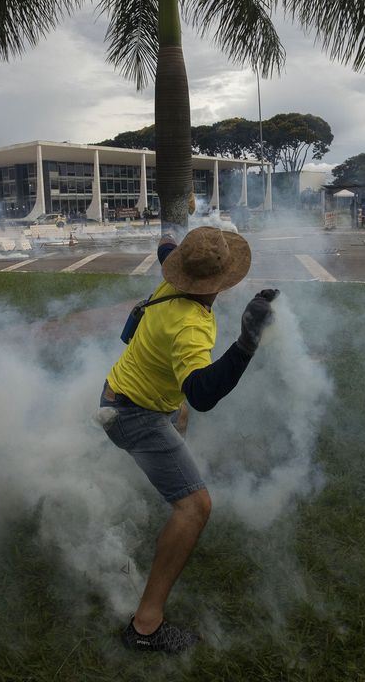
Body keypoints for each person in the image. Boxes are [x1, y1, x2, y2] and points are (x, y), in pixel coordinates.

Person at [100, 226, 278, 654]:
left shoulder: (171, 274)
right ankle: (145, 628)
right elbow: (201, 394)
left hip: (122, 393)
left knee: (178, 418)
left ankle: (170, 477)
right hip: (132, 415)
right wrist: (248, 342)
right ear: (222, 281)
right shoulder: (191, 326)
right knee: (196, 507)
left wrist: (169, 233)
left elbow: (166, 248)